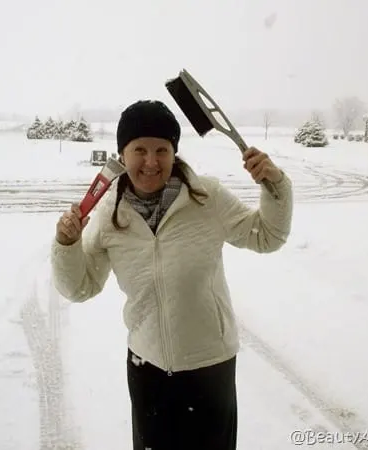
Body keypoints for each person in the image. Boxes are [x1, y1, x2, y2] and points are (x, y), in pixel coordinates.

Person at [51, 99, 293, 450]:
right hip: (147, 368)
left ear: (174, 153)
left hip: (210, 366)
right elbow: (80, 287)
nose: (151, 162)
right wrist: (66, 243)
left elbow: (266, 236)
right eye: (140, 150)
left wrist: (275, 185)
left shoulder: (206, 197)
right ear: (123, 154)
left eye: (162, 149)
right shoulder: (108, 214)